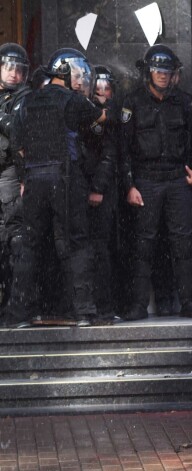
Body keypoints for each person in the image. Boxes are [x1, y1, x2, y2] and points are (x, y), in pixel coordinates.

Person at [7, 48, 107, 327]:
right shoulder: (73, 101)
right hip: (65, 178)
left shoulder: (26, 102)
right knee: (76, 243)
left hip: (35, 179)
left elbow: (18, 144)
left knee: (30, 246)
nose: (79, 80)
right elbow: (99, 119)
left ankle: (18, 315)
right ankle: (84, 311)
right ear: (65, 74)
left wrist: (29, 176)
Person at [119, 44, 192, 321]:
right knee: (142, 245)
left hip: (177, 180)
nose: (162, 75)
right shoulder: (132, 102)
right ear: (148, 72)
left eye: (167, 71)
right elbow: (123, 148)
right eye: (158, 70)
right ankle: (137, 305)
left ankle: (189, 302)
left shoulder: (185, 102)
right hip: (145, 180)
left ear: (174, 74)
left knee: (184, 243)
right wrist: (129, 186)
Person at [79, 65, 120, 323]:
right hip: (81, 187)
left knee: (101, 249)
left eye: (107, 88)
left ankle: (104, 306)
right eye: (98, 89)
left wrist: (97, 188)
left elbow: (109, 154)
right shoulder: (86, 112)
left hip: (101, 191)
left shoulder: (111, 116)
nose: (102, 93)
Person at [0, 43, 29, 320]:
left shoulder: (24, 98)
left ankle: (15, 305)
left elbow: (16, 131)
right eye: (8, 67)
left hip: (10, 173)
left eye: (19, 69)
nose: (13, 74)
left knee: (13, 239)